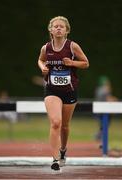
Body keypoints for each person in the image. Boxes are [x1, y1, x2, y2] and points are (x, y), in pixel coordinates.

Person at [37, 16, 89, 171]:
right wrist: (43, 68)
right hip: (52, 90)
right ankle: (55, 159)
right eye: (55, 26)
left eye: (61, 26)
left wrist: (72, 63)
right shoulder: (46, 48)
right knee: (56, 123)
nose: (58, 28)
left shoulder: (72, 46)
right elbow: (40, 60)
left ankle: (63, 150)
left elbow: (86, 63)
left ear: (67, 30)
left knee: (65, 126)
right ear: (50, 30)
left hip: (69, 90)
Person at [94, 76, 118, 141]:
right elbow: (108, 99)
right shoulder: (105, 89)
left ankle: (99, 136)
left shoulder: (98, 89)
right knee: (105, 124)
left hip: (98, 109)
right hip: (103, 109)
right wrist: (115, 100)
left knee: (103, 125)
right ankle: (99, 137)